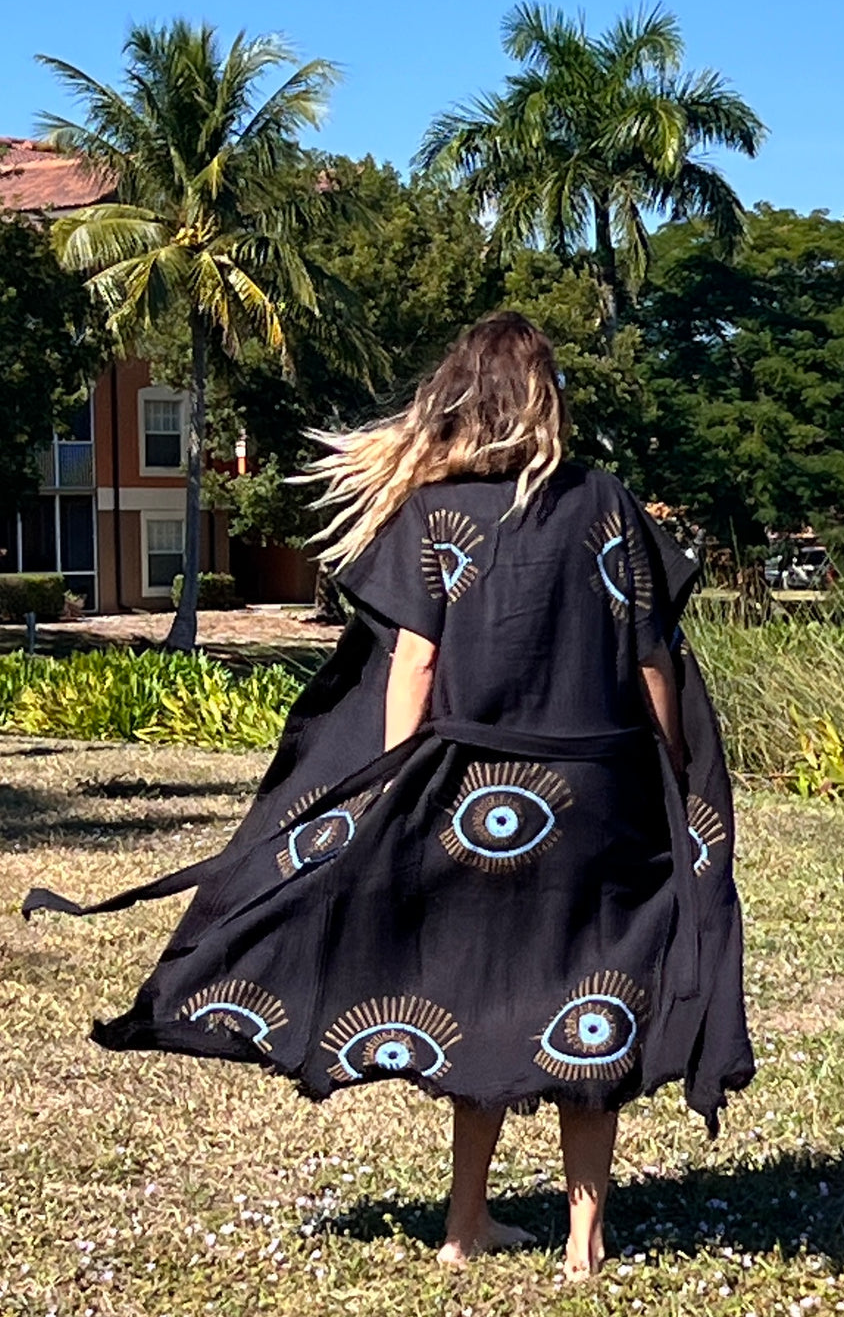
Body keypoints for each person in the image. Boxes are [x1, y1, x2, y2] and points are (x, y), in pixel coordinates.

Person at [24, 312, 753, 1279]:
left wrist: (390, 780)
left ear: (461, 397)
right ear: (546, 399)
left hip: (470, 800)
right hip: (598, 793)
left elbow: (414, 663)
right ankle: (586, 1241)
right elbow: (651, 653)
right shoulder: (606, 503)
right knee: (597, 995)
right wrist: (668, 758)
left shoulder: (435, 514)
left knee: (482, 992)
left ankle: (463, 1225)